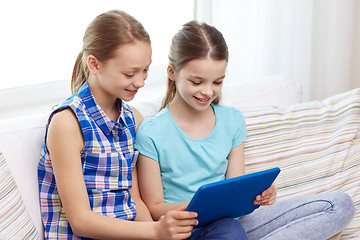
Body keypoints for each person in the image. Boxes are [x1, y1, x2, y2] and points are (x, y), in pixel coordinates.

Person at [135, 20, 356, 240]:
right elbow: (154, 207)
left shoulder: (232, 120)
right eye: (196, 82)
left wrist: (257, 196)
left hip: (233, 224)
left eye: (217, 82)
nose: (207, 91)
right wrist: (201, 207)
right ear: (172, 72)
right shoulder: (152, 132)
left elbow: (234, 187)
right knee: (230, 230)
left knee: (338, 205)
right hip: (186, 230)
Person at [38, 10, 199, 240]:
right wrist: (155, 230)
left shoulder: (132, 119)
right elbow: (81, 221)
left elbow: (135, 201)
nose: (141, 82)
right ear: (94, 64)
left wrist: (158, 234)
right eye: (130, 73)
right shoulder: (67, 123)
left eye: (145, 70)